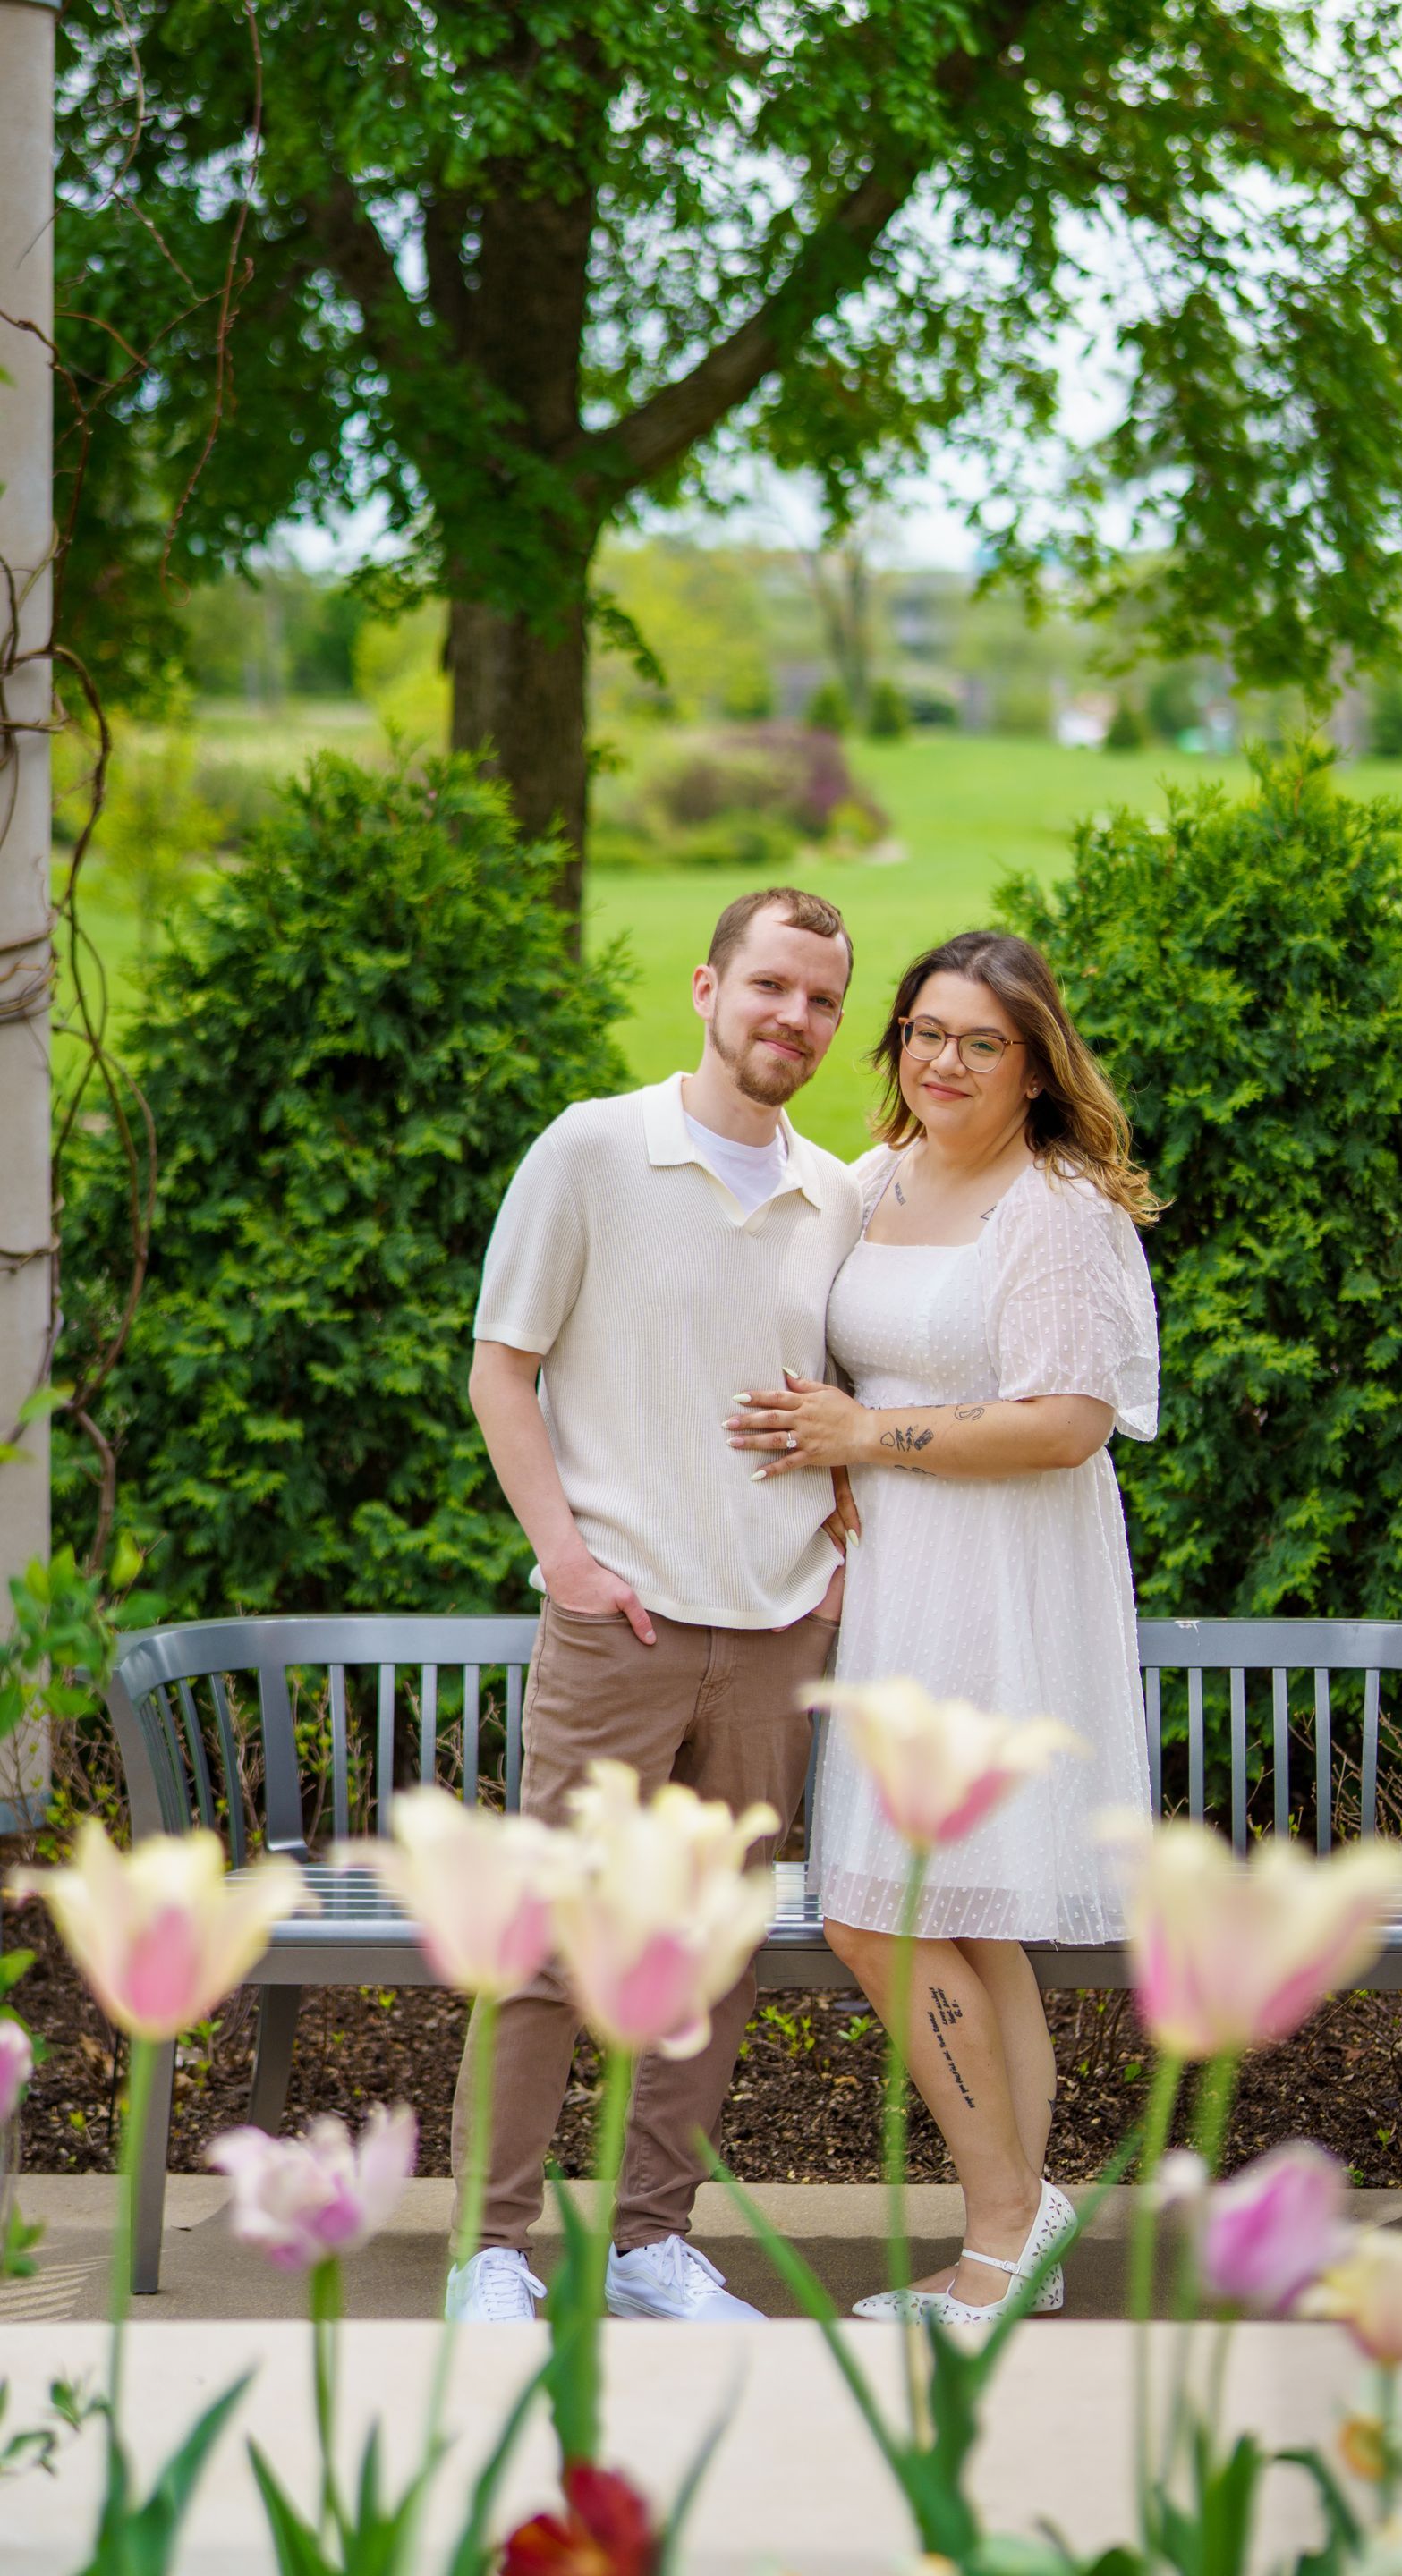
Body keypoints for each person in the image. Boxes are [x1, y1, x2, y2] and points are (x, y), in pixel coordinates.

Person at [726, 928, 1160, 2323]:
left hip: (1007, 1588)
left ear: (1035, 1065)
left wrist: (870, 1433)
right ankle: (1010, 2236)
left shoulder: (1057, 1208)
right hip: (902, 1586)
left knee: (880, 1915)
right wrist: (836, 1462)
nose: (946, 1061)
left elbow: (1066, 1422)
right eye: (924, 1032)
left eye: (982, 1041)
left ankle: (1004, 2225)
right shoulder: (871, 1184)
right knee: (953, 1916)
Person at [447, 886, 863, 2325]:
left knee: (708, 1954)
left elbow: (853, 1403)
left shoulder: (840, 1195)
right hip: (617, 1625)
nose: (793, 1021)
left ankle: (643, 2249)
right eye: (769, 989)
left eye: (820, 1001)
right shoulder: (592, 1152)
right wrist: (566, 1555)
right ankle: (492, 2253)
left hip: (773, 1634)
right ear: (706, 988)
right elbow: (504, 1366)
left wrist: (842, 1536)